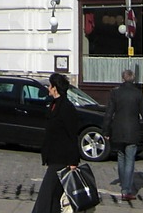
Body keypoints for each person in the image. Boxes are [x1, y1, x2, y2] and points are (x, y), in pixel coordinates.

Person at [31, 73, 81, 213]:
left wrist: (73, 162)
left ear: (55, 88)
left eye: (50, 86)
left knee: (46, 196)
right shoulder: (54, 105)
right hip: (53, 157)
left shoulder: (66, 108)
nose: (48, 89)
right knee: (53, 197)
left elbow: (72, 136)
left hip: (63, 159)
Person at [103, 68, 143, 201]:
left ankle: (123, 186)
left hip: (118, 130)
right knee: (130, 159)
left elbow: (109, 113)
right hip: (133, 131)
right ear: (133, 79)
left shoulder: (115, 93)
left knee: (121, 157)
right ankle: (127, 189)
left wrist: (106, 130)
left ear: (122, 78)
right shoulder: (138, 94)